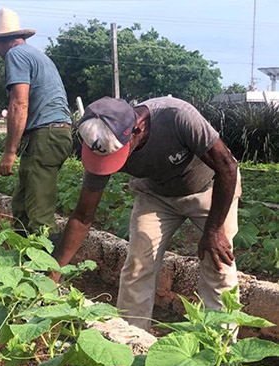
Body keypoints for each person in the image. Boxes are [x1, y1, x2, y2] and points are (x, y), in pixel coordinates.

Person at [52, 96, 240, 330]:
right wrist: (54, 271)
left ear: (137, 130)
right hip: (156, 195)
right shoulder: (101, 145)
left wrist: (213, 231)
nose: (110, 163)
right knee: (138, 264)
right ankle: (129, 340)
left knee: (218, 262)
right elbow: (83, 216)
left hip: (209, 188)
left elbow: (227, 167)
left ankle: (221, 350)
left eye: (116, 156)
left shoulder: (177, 116)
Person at [0, 8, 72, 236]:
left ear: (0, 41)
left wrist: (9, 152)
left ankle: (45, 269)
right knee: (22, 205)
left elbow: (19, 104)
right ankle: (21, 261)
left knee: (39, 212)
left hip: (45, 135)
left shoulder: (15, 55)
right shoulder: (35, 54)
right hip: (55, 133)